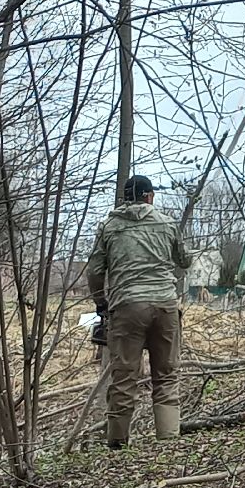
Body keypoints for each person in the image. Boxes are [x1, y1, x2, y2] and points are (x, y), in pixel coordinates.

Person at [87, 175, 193, 448]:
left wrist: (101, 304)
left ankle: (118, 444)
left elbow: (95, 272)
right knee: (167, 374)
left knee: (124, 376)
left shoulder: (109, 227)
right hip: (165, 306)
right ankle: (168, 441)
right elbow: (185, 260)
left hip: (127, 307)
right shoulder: (166, 223)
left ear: (125, 199)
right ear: (149, 196)